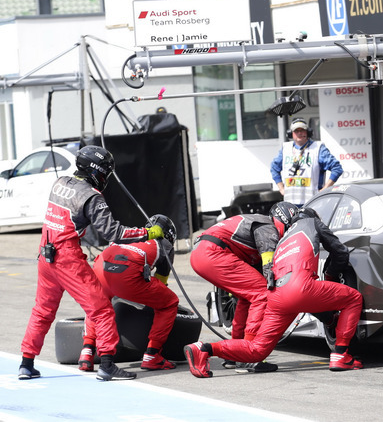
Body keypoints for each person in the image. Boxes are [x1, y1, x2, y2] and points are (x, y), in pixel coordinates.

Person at [19, 145, 168, 381]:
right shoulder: (91, 196)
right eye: (106, 172)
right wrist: (148, 233)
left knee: (42, 310)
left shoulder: (59, 183)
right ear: (97, 171)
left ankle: (26, 363)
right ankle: (107, 363)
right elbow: (114, 233)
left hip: (45, 256)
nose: (106, 178)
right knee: (101, 310)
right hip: (67, 259)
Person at [184, 203, 363, 377]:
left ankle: (204, 348)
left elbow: (298, 297)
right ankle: (340, 355)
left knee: (257, 349)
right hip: (218, 254)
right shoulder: (295, 224)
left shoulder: (283, 240)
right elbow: (340, 254)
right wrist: (331, 277)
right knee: (353, 298)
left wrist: (328, 318)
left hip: (278, 297)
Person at [80, 214, 179, 372]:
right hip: (127, 274)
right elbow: (161, 283)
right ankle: (152, 355)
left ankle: (86, 352)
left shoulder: (133, 232)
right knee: (169, 302)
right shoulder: (164, 245)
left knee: (97, 305)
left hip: (101, 267)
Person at [190, 211, 283, 370]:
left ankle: (233, 354)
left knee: (246, 297)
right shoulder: (268, 226)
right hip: (213, 251)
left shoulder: (256, 221)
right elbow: (269, 269)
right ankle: (248, 355)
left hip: (201, 252)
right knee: (262, 294)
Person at [270, 117, 343, 207]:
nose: (299, 133)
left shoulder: (318, 148)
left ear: (308, 132)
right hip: (290, 205)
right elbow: (274, 168)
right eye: (296, 131)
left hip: (314, 204)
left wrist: (325, 189)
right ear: (291, 134)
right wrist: (281, 188)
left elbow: (337, 168)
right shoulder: (286, 148)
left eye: (302, 130)